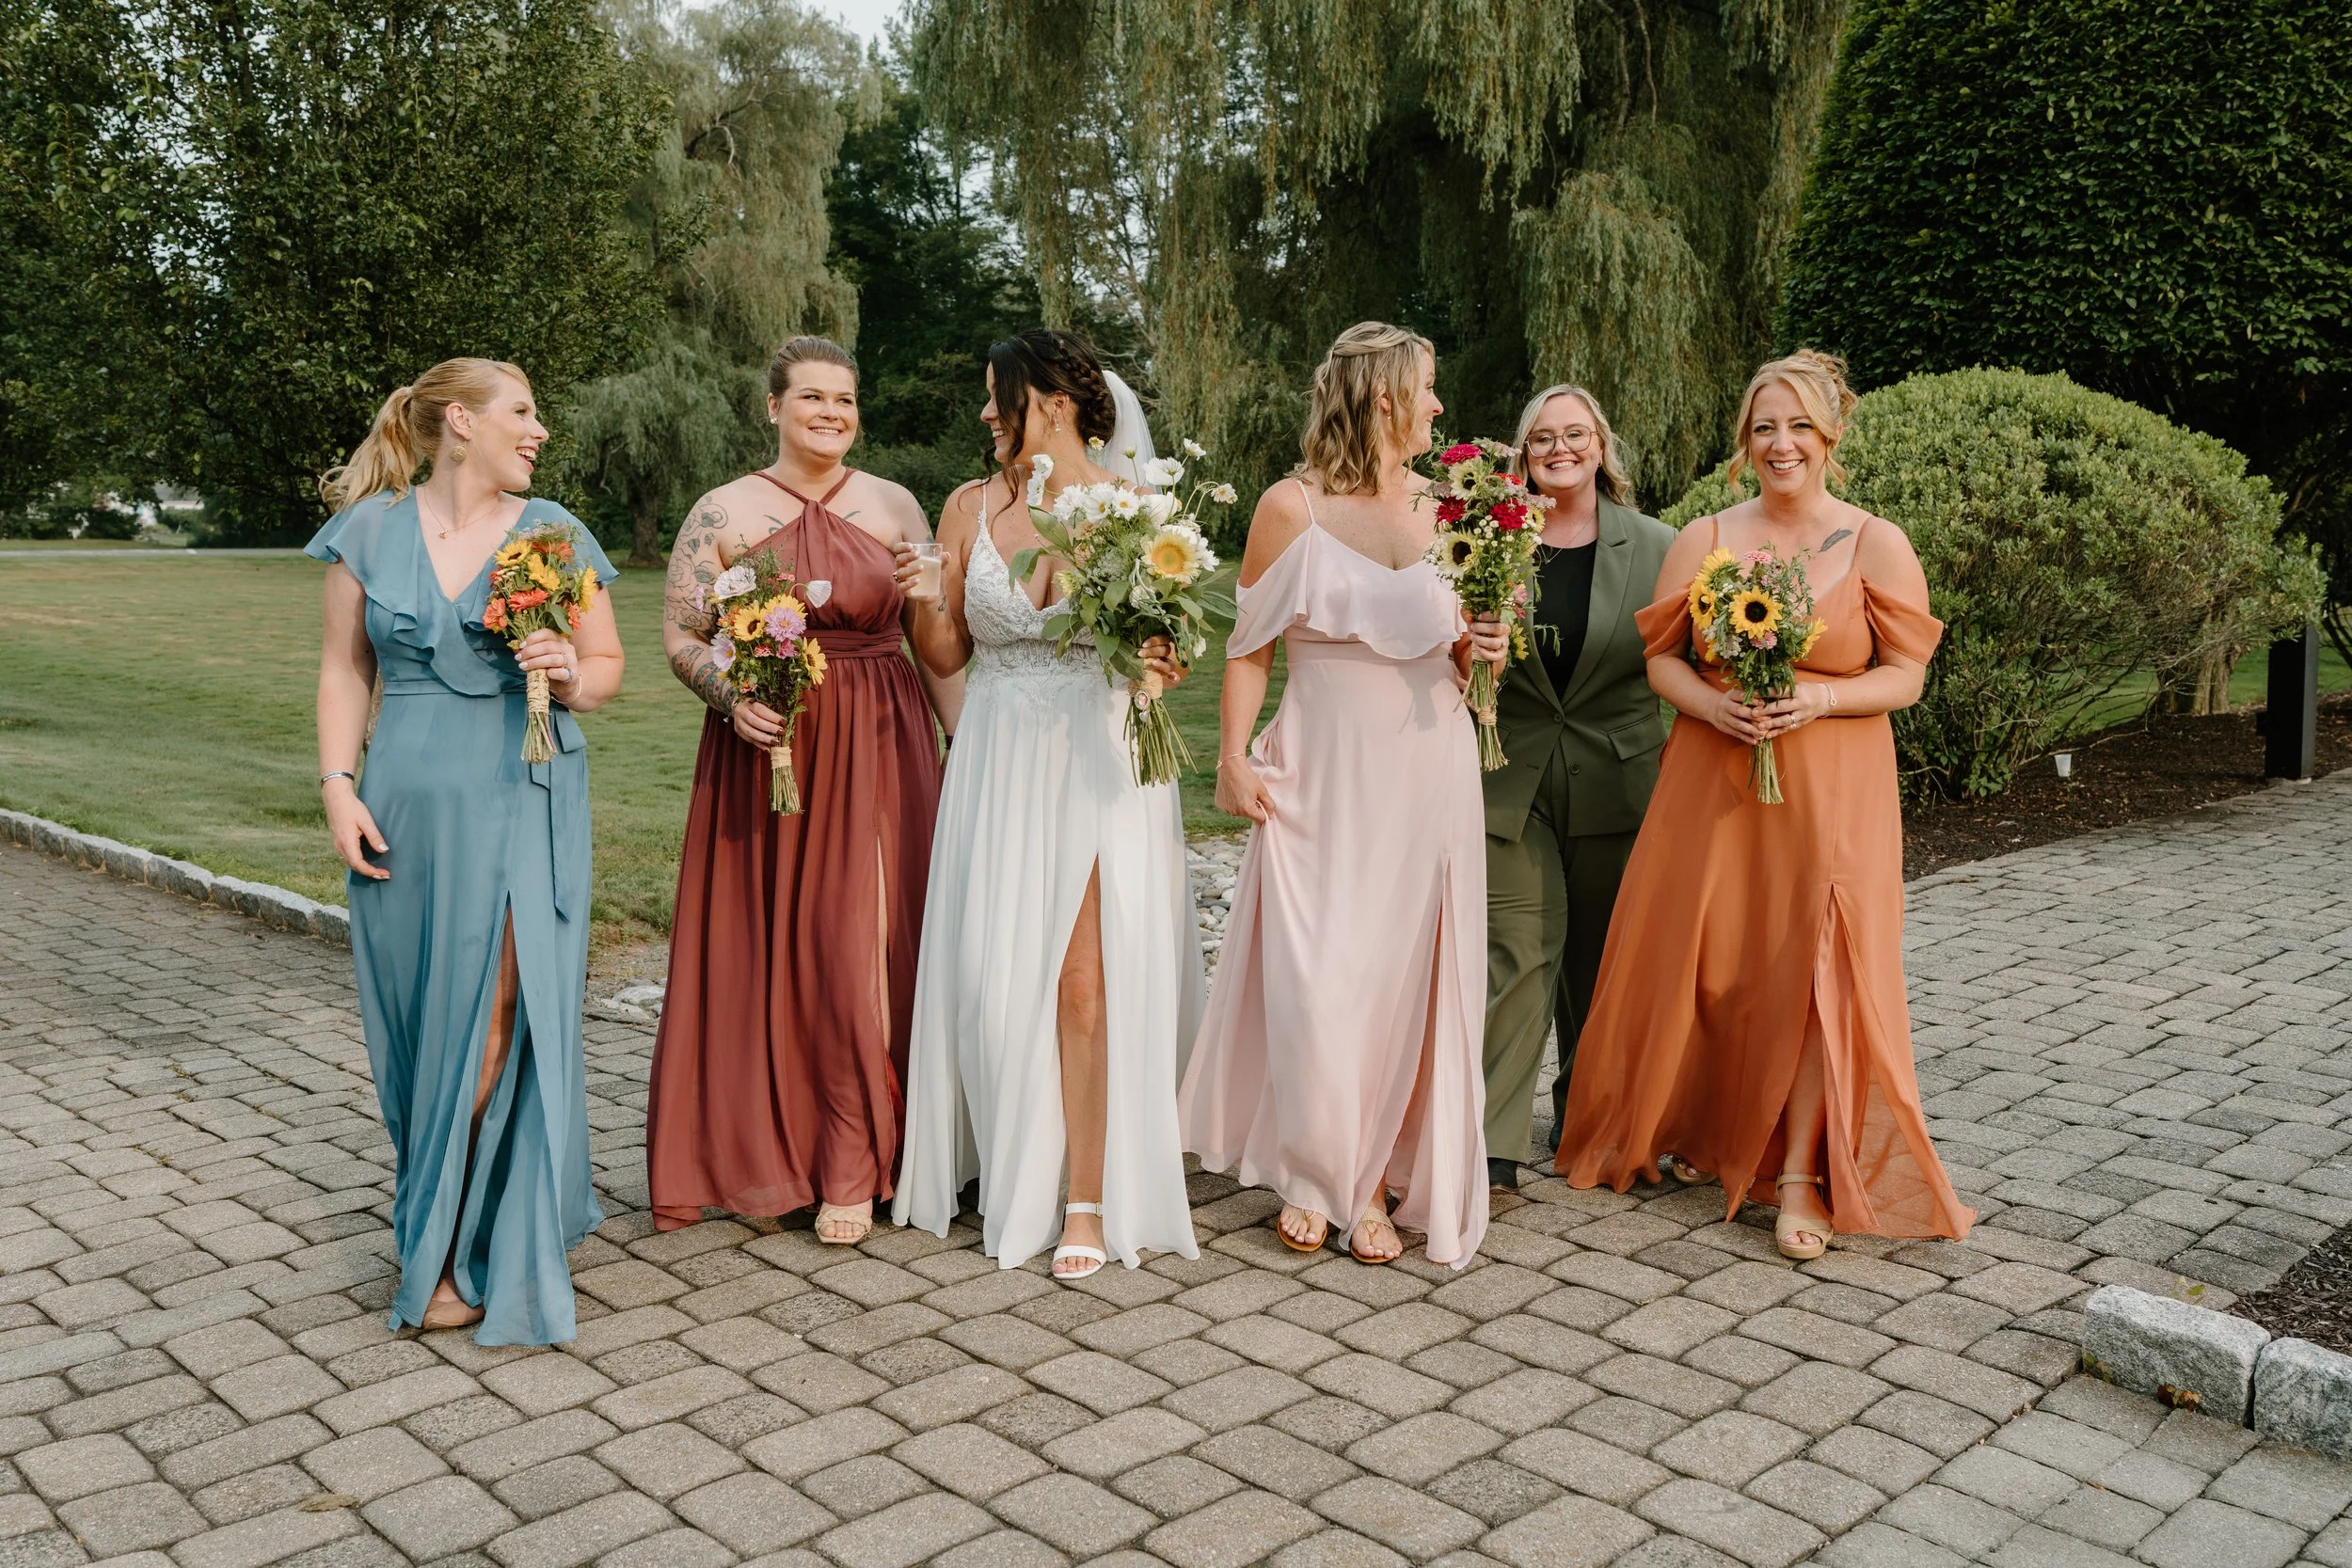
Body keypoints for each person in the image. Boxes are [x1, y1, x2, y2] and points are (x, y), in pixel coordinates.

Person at [1554, 350, 1975, 1258]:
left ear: (1830, 437)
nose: (1780, 444)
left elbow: (1906, 676)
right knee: (1719, 964)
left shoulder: (1875, 541)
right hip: (1717, 778)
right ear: (1745, 442)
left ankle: (1798, 1177)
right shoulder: (1704, 538)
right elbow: (1664, 657)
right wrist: (1712, 704)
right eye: (1763, 428)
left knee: (1820, 971)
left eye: (1798, 427)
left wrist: (1819, 697)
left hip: (1834, 789)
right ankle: (1697, 1127)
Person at [1177, 322, 1506, 1269]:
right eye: (1427, 389)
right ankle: (1333, 1173)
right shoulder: (1292, 506)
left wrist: (1480, 648)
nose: (1441, 407)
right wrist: (1232, 757)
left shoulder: (1453, 508)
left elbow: (1452, 652)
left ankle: (1369, 1170)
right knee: (1324, 975)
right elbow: (1248, 647)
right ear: (1382, 397)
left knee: (1407, 974)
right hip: (1322, 768)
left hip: (1426, 768)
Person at [309, 358, 622, 1342]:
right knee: (419, 1023)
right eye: (522, 413)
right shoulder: (367, 531)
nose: (538, 431)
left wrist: (571, 669)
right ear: (458, 421)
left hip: (522, 790)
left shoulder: (554, 532)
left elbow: (607, 665)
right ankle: (448, 1209)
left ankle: (445, 1252)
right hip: (405, 799)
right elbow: (343, 670)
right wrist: (336, 787)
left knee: (496, 1014)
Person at [891, 328, 1203, 1279]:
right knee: (991, 974)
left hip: (1095, 755)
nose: (986, 414)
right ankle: (1006, 1158)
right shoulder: (965, 506)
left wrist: (1158, 661)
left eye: (1000, 396)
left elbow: (1168, 650)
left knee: (1083, 981)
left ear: (1054, 404)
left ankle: (1085, 1196)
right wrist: (922, 598)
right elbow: (945, 656)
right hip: (995, 753)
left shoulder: (1135, 509)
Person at [644, 337, 950, 1243]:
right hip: (775, 744)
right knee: (792, 944)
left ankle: (866, 1157)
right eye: (812, 397)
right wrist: (732, 695)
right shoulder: (723, 510)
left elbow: (933, 644)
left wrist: (963, 733)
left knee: (872, 941)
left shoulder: (896, 504)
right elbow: (681, 635)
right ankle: (788, 1146)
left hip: (886, 738)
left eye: (846, 401)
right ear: (772, 405)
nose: (832, 414)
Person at [1480, 386, 1677, 1191]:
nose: (1558, 449)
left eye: (1575, 434)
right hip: (1508, 780)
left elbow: (1685, 661)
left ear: (1601, 444)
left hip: (1618, 776)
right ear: (1523, 457)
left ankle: (1587, 1121)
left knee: (1599, 965)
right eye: (1540, 439)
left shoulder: (1662, 546)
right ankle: (1493, 1146)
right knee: (1519, 952)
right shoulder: (1488, 542)